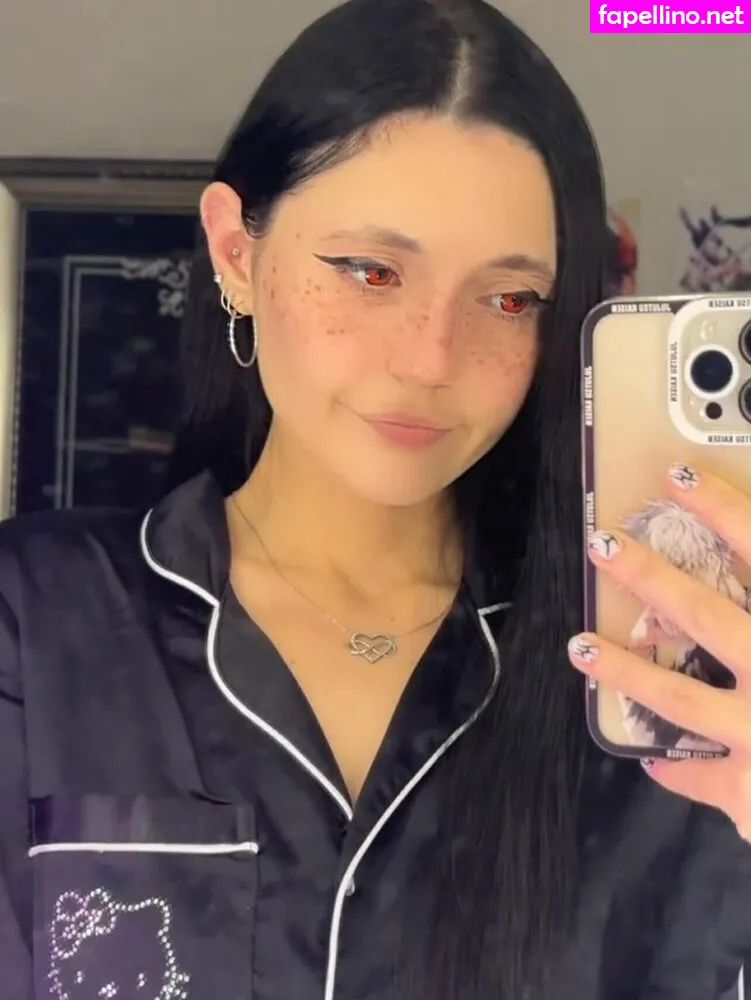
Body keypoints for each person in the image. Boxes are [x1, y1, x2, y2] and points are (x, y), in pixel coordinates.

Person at [1, 1, 749, 998]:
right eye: (370, 270)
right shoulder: (36, 623)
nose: (430, 358)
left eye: (508, 297)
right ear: (235, 253)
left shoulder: (649, 689)